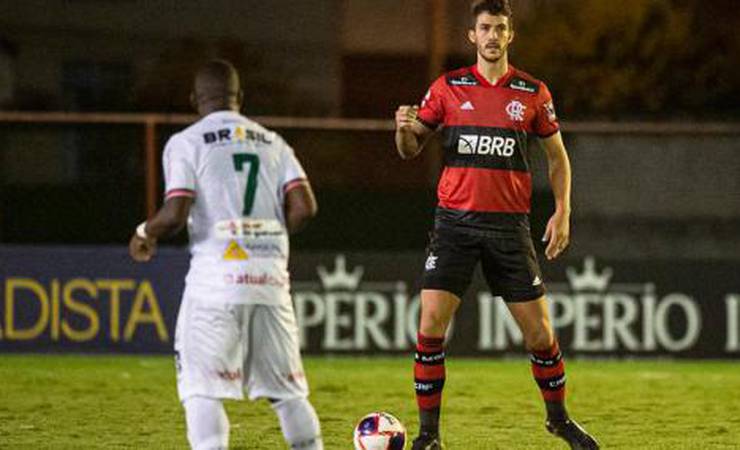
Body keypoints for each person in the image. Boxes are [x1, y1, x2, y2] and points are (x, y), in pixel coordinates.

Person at [394, 1, 599, 449]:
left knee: (541, 335)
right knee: (430, 326)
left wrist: (562, 210)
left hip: (509, 228)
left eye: (499, 28)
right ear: (472, 36)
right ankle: (428, 435)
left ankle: (559, 420)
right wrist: (402, 128)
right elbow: (411, 148)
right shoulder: (447, 88)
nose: (491, 35)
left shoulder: (532, 91)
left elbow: (557, 158)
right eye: (484, 28)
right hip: (454, 225)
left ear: (510, 36)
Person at [129, 59, 322, 450]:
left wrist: (143, 233)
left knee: (201, 388)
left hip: (215, 284)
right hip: (269, 281)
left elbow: (176, 210)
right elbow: (304, 208)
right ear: (240, 99)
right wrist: (266, 239)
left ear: (194, 99)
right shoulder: (272, 141)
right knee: (288, 392)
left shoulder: (187, 142)